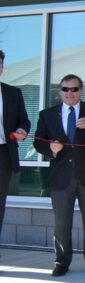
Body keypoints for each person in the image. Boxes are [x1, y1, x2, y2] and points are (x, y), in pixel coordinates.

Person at [34, 75, 85, 277]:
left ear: (81, 90)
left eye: (74, 89)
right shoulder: (47, 114)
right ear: (59, 91)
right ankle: (62, 261)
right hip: (61, 177)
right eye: (65, 89)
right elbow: (38, 141)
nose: (70, 93)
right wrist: (50, 148)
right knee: (62, 223)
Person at [0, 50, 31, 248]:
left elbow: (24, 121)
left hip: (4, 155)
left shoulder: (13, 92)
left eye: (0, 64)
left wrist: (22, 129)